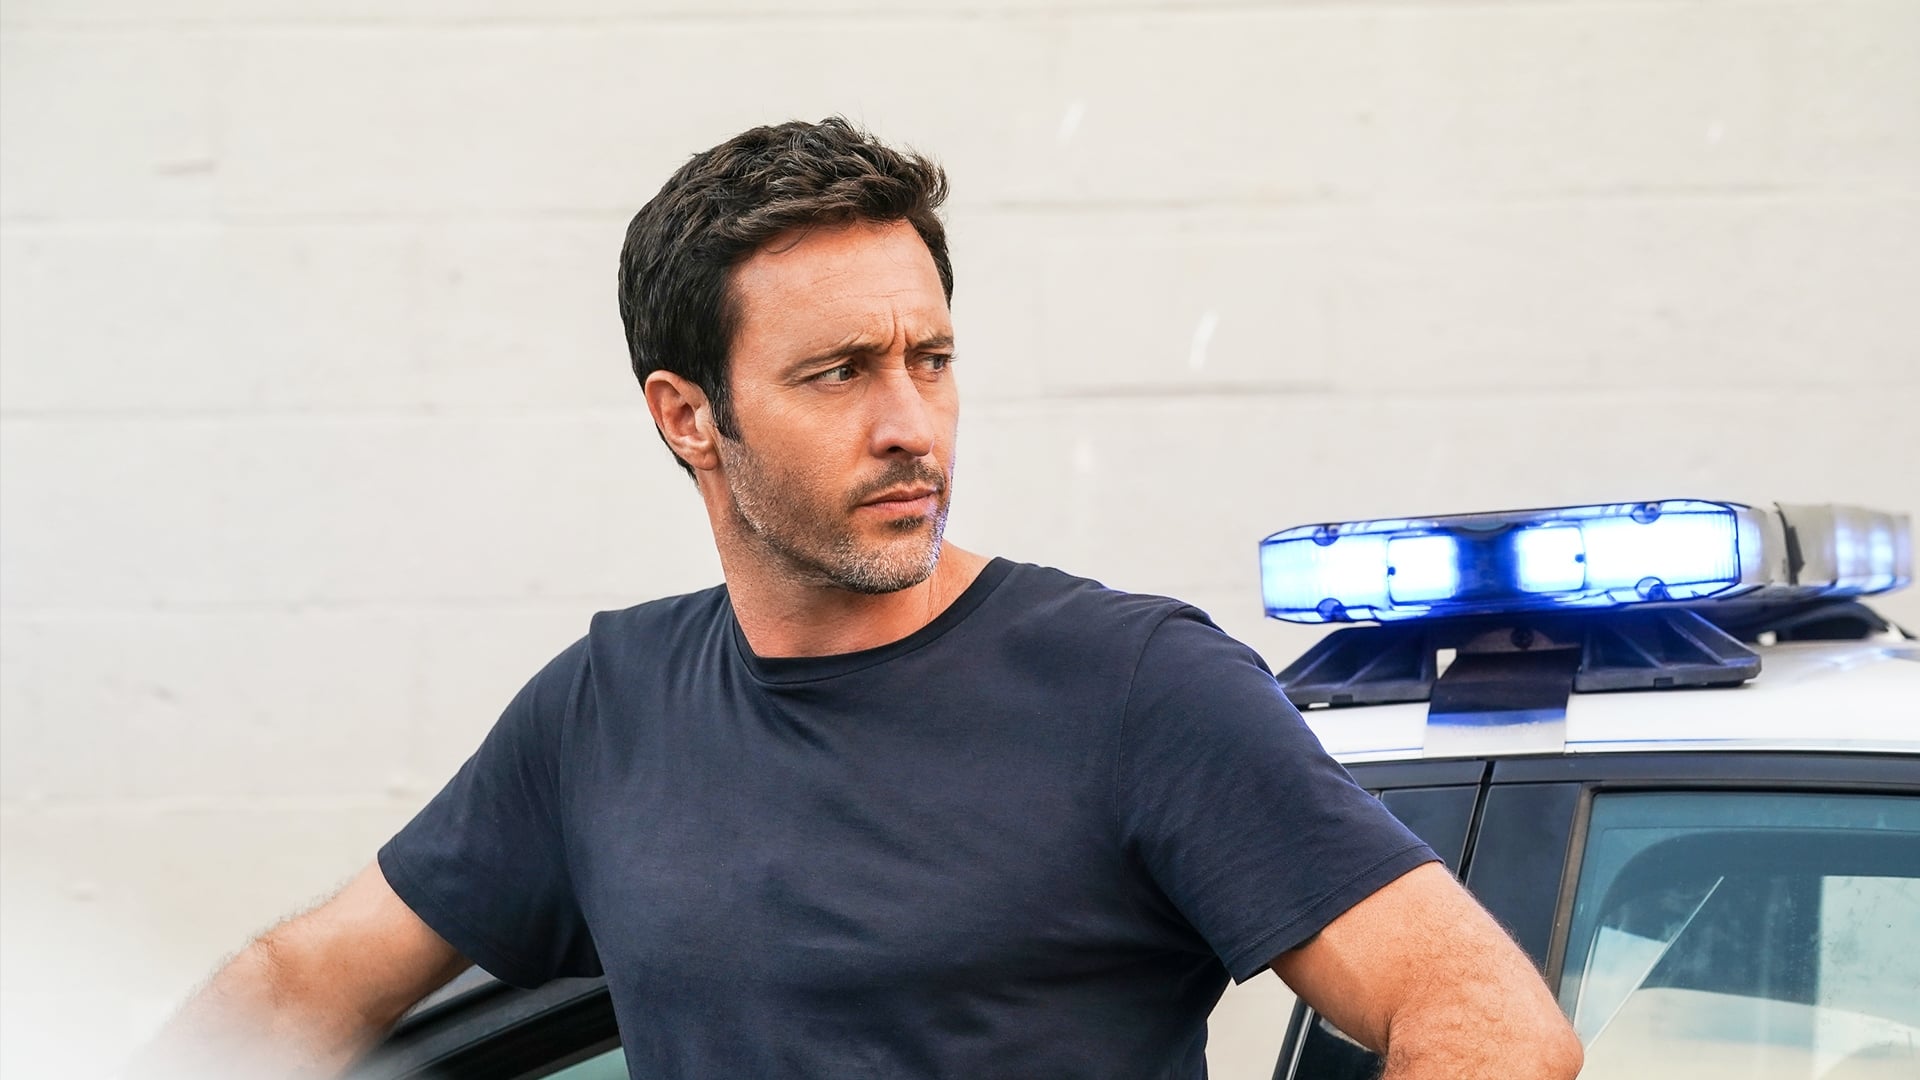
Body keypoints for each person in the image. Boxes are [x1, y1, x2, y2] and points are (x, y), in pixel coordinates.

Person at [135, 118, 1582, 1079]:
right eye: (839, 374)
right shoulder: (606, 711)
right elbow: (303, 985)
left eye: (929, 361)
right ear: (688, 417)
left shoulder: (1135, 687)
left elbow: (1490, 1023)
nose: (911, 426)